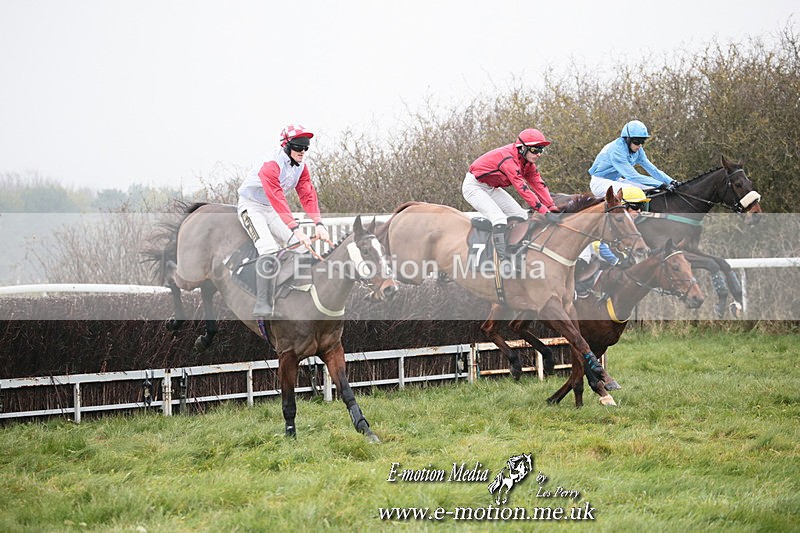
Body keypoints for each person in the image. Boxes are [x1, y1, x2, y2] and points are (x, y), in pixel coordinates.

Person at [237, 124, 331, 318]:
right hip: (252, 207)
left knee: (302, 248)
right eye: (298, 146)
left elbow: (307, 195)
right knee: (269, 249)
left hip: (271, 209)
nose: (303, 151)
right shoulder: (271, 164)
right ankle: (262, 303)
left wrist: (319, 223)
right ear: (286, 146)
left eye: (306, 147)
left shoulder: (301, 167)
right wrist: (296, 230)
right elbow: (277, 197)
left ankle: (297, 293)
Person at [462, 128, 560, 260]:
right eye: (535, 150)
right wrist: (544, 211)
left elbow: (538, 184)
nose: (539, 154)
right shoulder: (509, 160)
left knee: (521, 215)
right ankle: (503, 260)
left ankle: (516, 250)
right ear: (522, 148)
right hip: (474, 187)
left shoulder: (527, 163)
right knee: (499, 218)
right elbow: (523, 189)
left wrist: (551, 206)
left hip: (491, 188)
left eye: (541, 150)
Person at [575, 187, 650, 297]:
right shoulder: (608, 219)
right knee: (590, 269)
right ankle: (576, 290)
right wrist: (617, 261)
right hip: (588, 255)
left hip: (600, 256)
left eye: (642, 206)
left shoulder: (628, 224)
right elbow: (600, 248)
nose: (639, 211)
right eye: (636, 206)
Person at [588, 120, 681, 197]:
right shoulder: (617, 151)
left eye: (642, 141)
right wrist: (661, 185)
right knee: (634, 192)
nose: (640, 145)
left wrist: (671, 181)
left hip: (616, 180)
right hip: (599, 182)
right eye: (637, 141)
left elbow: (653, 170)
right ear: (627, 139)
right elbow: (633, 176)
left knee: (653, 190)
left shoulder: (638, 150)